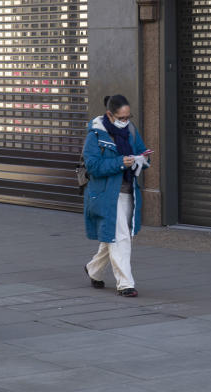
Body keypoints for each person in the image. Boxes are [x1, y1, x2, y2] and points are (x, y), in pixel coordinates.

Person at [82, 94, 150, 297]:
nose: (126, 120)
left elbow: (142, 152)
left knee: (113, 236)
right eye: (122, 117)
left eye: (128, 116)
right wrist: (121, 162)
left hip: (128, 192)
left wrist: (142, 160)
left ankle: (93, 269)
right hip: (106, 195)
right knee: (120, 237)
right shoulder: (95, 135)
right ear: (110, 115)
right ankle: (125, 284)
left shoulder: (130, 130)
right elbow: (93, 166)